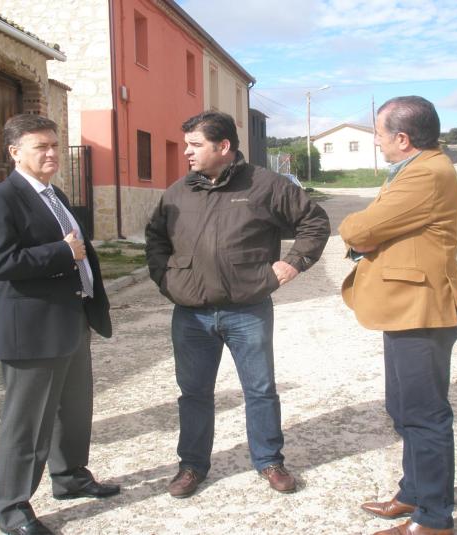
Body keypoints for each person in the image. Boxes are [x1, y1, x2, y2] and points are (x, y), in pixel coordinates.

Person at [145, 111, 330, 498]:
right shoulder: (178, 192)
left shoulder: (266, 185)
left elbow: (314, 222)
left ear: (224, 146)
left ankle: (270, 461)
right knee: (194, 393)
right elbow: (155, 238)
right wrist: (167, 279)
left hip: (248, 310)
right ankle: (191, 466)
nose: (186, 152)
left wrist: (291, 264)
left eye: (195, 145)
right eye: (187, 144)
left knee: (260, 389)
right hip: (191, 314)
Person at [0, 114, 118, 535]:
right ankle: (12, 509)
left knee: (74, 411)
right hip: (32, 331)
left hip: (71, 321)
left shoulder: (57, 196)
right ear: (15, 152)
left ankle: (70, 476)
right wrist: (62, 252)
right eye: (41, 146)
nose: (52, 153)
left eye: (55, 144)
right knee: (27, 426)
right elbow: (1, 263)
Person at [339, 97, 457, 535]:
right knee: (403, 409)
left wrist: (360, 232)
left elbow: (360, 229)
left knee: (425, 416)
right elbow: (375, 228)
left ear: (402, 138)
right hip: (406, 309)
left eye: (379, 134)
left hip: (423, 311)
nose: (376, 142)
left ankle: (433, 519)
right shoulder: (413, 169)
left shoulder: (426, 174)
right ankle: (414, 492)